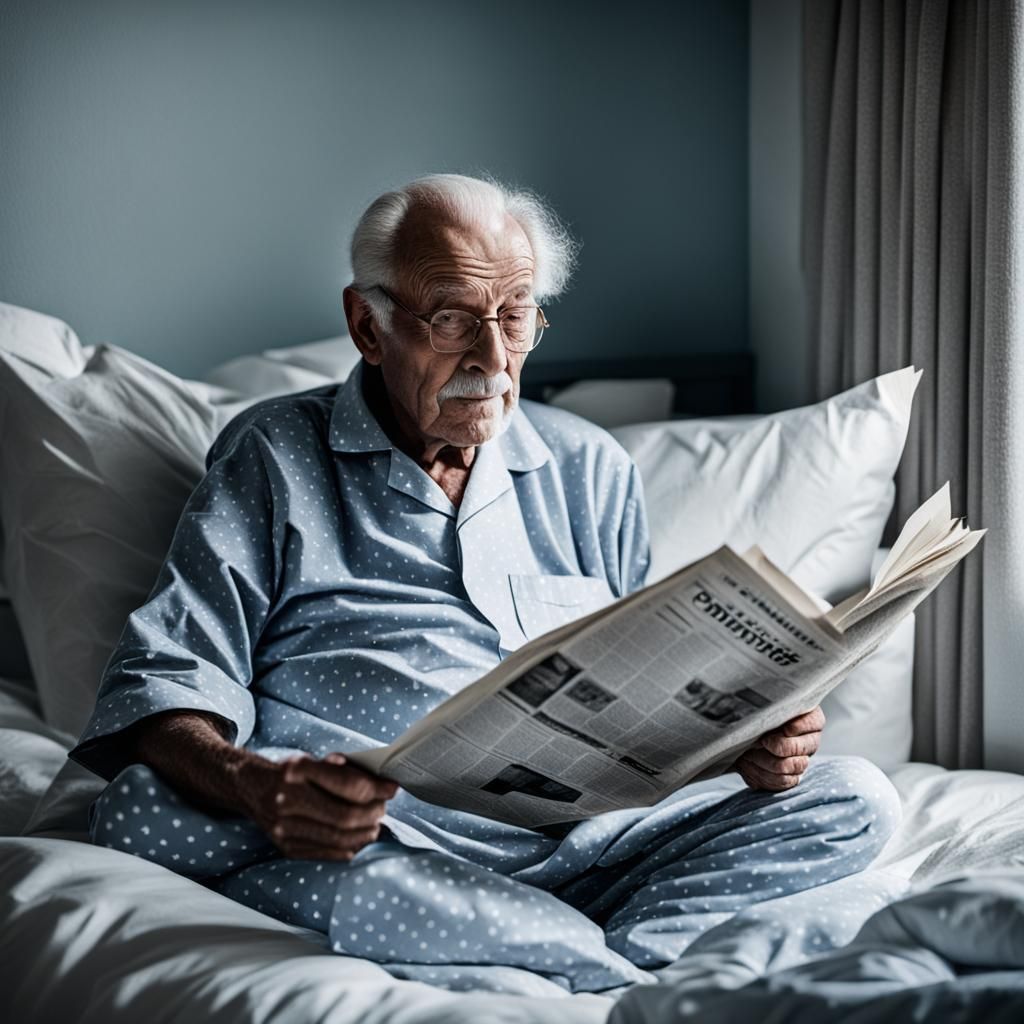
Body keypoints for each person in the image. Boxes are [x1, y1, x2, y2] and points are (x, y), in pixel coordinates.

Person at [68, 173, 900, 993]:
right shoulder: (274, 455)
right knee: (152, 808)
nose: (495, 360)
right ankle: (625, 974)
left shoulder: (590, 468)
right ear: (369, 324)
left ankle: (601, 960)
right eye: (454, 320)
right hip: (386, 841)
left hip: (601, 839)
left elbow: (657, 706)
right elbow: (171, 671)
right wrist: (264, 787)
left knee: (856, 798)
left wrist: (746, 738)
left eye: (516, 318)